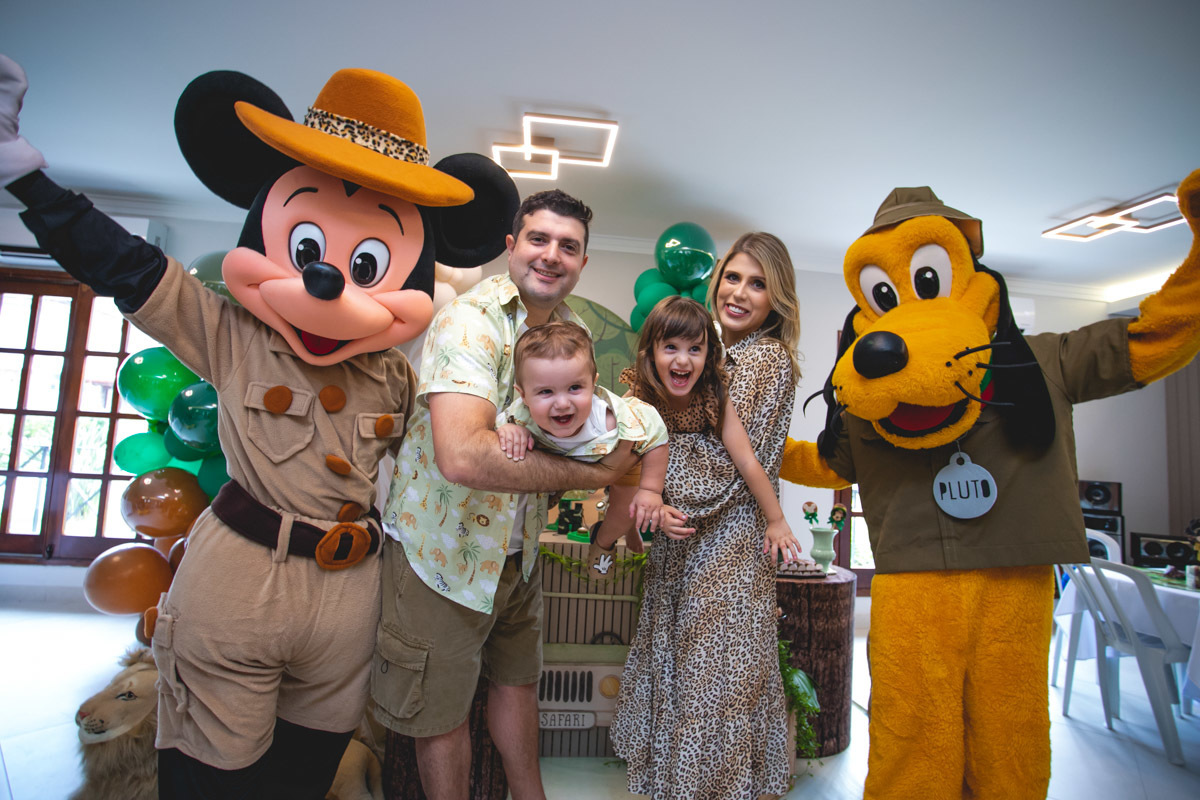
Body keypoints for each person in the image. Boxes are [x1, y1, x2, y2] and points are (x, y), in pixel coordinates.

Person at [372, 189, 646, 800]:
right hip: (440, 554)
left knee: (519, 685)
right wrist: (600, 477)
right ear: (511, 246)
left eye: (569, 246)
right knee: (439, 713)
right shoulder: (470, 320)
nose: (552, 255)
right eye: (539, 239)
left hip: (517, 550)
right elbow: (464, 456)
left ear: (582, 260)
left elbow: (578, 434)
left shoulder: (571, 333)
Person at [611, 292, 802, 800]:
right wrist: (649, 511)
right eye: (670, 347)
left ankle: (715, 778)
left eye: (694, 349)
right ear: (650, 351)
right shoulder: (637, 403)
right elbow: (625, 477)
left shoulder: (715, 397)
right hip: (654, 526)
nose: (682, 360)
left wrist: (777, 521)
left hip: (713, 541)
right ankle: (602, 549)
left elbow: (748, 463)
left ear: (709, 356)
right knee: (668, 646)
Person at [495, 320, 673, 570]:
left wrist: (651, 490)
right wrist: (508, 429)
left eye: (575, 388)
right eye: (546, 392)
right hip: (564, 462)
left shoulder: (612, 420)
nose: (562, 403)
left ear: (593, 384)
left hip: (621, 450)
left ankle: (603, 542)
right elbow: (493, 431)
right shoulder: (520, 416)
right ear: (523, 395)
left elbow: (656, 433)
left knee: (627, 509)